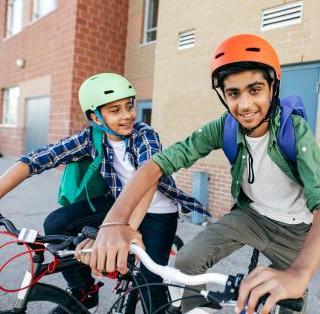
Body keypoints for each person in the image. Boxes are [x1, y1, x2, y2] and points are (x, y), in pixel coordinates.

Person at [76, 35, 320, 314]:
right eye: (233, 93)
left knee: (286, 299)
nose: (244, 105)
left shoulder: (294, 130)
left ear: (272, 88)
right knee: (186, 264)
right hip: (252, 216)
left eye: (255, 90)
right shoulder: (225, 127)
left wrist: (300, 272)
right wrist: (115, 222)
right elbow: (159, 163)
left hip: (296, 230)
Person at [0, 73, 206, 314]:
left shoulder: (144, 135)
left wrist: (121, 231)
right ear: (95, 117)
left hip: (157, 212)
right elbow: (35, 161)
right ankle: (84, 291)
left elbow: (148, 178)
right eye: (115, 110)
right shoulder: (90, 137)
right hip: (118, 202)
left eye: (129, 106)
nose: (128, 115)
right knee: (56, 223)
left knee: (150, 283)